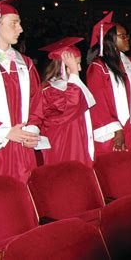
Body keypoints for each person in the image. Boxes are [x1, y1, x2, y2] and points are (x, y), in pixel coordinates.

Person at [0, 0, 46, 182]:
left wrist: (32, 129)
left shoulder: (25, 63)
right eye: (14, 23)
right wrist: (4, 132)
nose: (20, 29)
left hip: (22, 149)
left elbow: (36, 102)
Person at [87, 12, 131, 155]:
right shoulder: (98, 67)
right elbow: (99, 103)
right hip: (115, 130)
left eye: (127, 35)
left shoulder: (130, 62)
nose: (127, 39)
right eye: (123, 36)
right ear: (110, 40)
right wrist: (116, 129)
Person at [39, 37, 95, 166]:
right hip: (63, 144)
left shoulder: (71, 86)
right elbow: (69, 107)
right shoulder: (49, 90)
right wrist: (74, 74)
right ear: (63, 66)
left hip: (78, 141)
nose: (80, 69)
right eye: (76, 64)